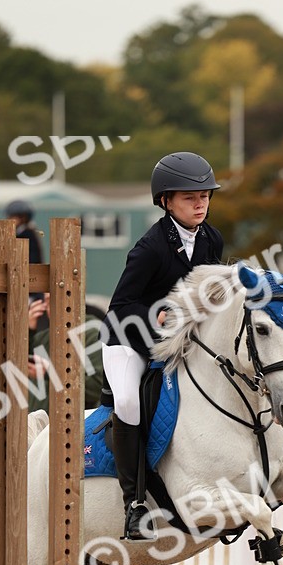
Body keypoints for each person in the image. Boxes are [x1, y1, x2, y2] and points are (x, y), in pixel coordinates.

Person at [101, 151, 223, 540]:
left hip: (178, 342)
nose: (200, 203)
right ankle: (134, 504)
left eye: (205, 195)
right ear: (166, 201)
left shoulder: (211, 240)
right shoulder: (150, 247)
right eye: (190, 197)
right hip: (129, 340)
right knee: (127, 402)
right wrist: (161, 327)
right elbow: (122, 307)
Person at [6, 199, 44, 266]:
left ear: (23, 217)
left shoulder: (27, 233)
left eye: (12, 216)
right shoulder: (22, 232)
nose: (9, 219)